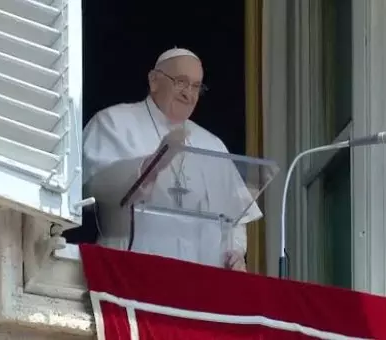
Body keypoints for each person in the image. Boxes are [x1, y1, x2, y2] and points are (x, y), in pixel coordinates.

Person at [82, 47, 261, 271]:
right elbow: (93, 187)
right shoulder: (114, 122)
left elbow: (235, 218)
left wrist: (236, 252)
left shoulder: (213, 144)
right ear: (154, 80)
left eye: (196, 86)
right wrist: (147, 169)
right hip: (130, 271)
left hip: (200, 280)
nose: (189, 94)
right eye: (181, 82)